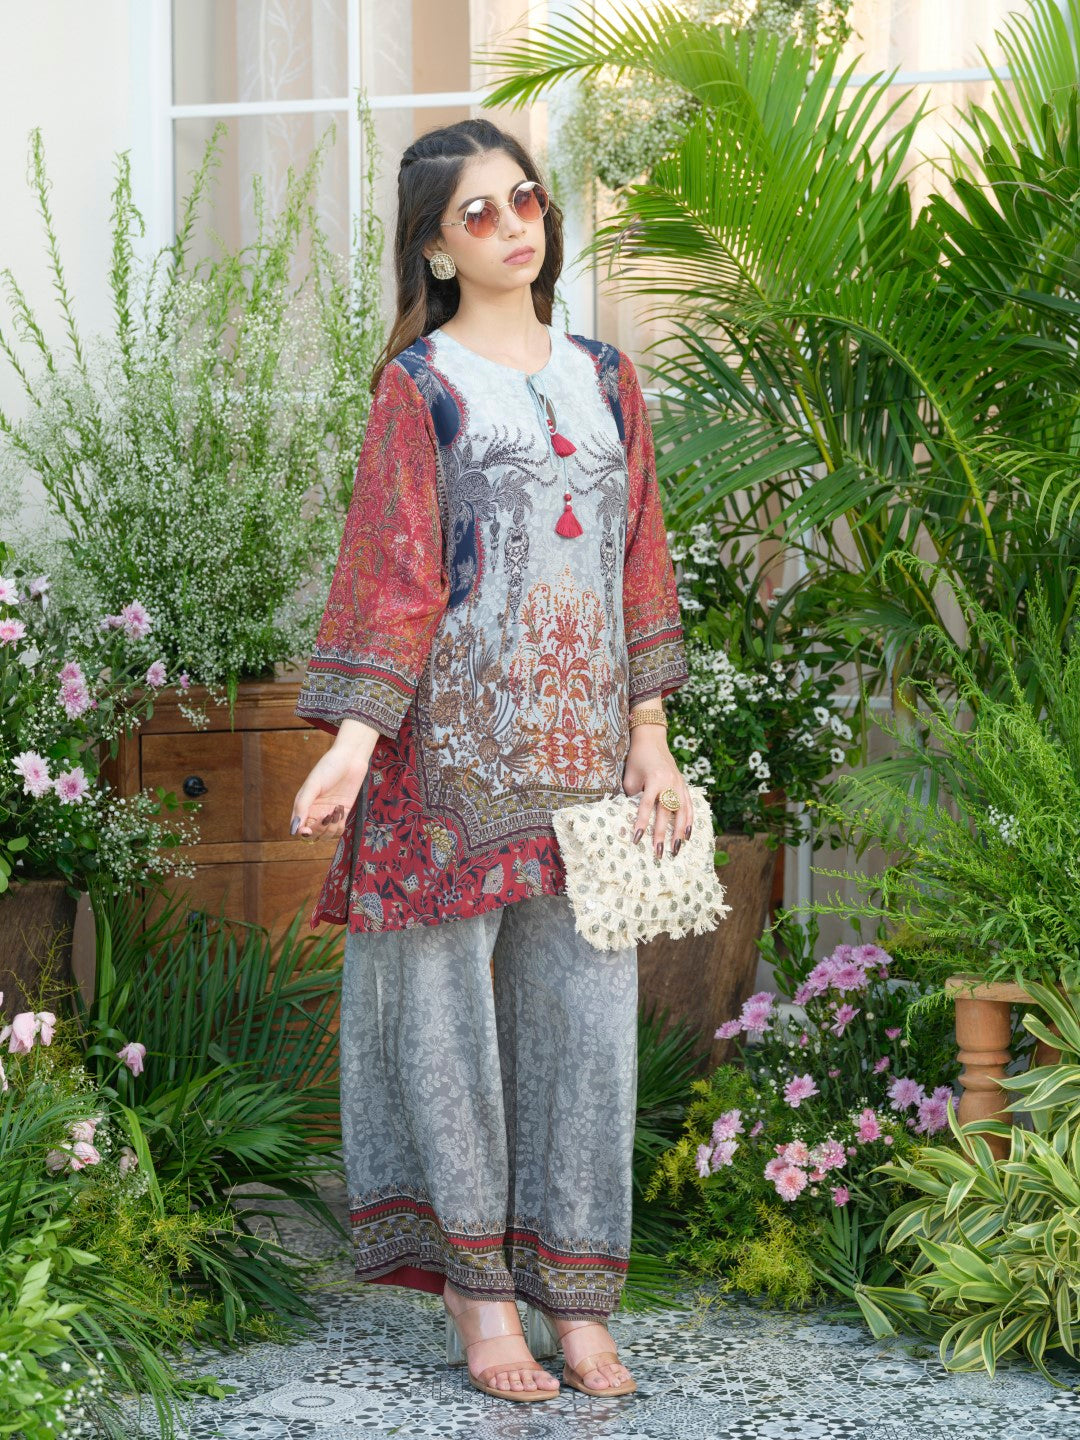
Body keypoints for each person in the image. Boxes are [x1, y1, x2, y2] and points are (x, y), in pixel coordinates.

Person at [289, 117, 692, 1404]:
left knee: (586, 1031)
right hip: (446, 770)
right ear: (434, 247)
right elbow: (396, 571)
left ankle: (578, 1298)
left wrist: (653, 743)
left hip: (586, 766)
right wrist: (356, 744)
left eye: (526, 201)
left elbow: (640, 559)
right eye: (480, 213)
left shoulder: (607, 377)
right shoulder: (421, 387)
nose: (515, 226)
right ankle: (481, 1299)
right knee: (447, 1030)